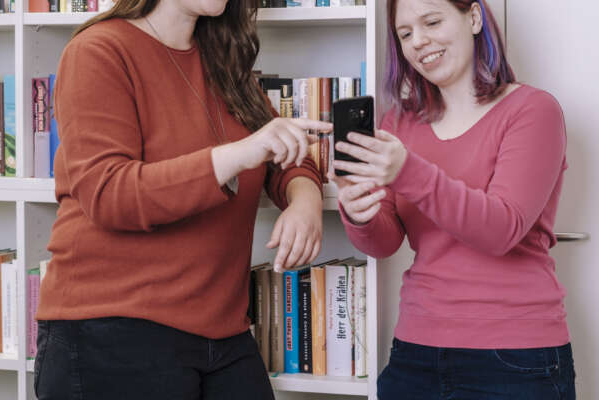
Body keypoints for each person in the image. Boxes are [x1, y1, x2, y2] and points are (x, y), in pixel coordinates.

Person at [34, 1, 332, 399]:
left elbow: (283, 154)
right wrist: (239, 153)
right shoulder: (99, 50)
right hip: (109, 331)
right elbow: (109, 193)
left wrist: (305, 201)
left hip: (222, 332)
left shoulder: (225, 62)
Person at [330, 0, 576, 399]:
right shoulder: (398, 124)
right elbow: (385, 242)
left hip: (516, 358)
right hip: (415, 350)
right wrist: (359, 213)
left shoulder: (532, 111)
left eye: (431, 21)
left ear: (474, 17)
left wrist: (407, 171)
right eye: (405, 33)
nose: (419, 42)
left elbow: (501, 229)